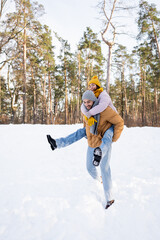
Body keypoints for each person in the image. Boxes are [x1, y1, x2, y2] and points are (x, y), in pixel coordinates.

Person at [47, 90, 124, 209]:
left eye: (88, 101)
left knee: (105, 169)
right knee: (89, 167)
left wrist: (114, 137)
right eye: (84, 102)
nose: (86, 104)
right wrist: (87, 133)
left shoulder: (105, 110)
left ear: (93, 100)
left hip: (104, 143)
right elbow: (87, 125)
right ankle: (57, 144)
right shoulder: (87, 111)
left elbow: (119, 122)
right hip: (92, 142)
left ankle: (109, 199)